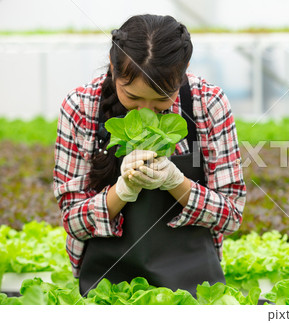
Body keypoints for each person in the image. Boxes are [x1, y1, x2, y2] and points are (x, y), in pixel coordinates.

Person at [53, 14, 246, 297]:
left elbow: (231, 215)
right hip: (107, 291)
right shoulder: (80, 106)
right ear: (112, 66)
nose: (145, 109)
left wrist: (175, 181)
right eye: (132, 97)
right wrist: (122, 190)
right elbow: (72, 220)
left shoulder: (208, 103)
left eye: (161, 99)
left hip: (190, 289)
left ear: (184, 71)